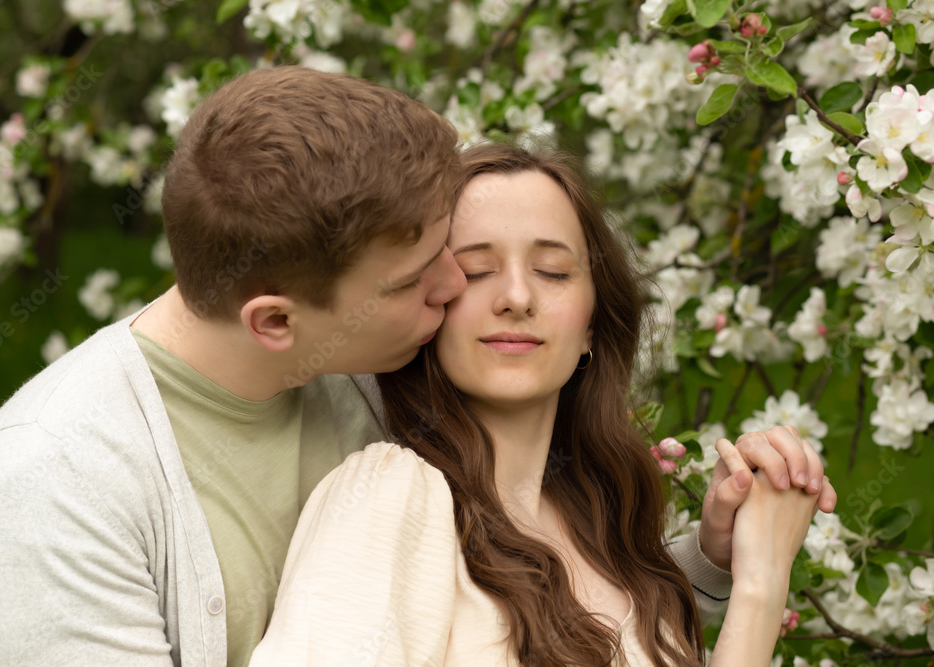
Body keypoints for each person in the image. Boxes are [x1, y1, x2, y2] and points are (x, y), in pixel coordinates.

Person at [0, 68, 832, 667]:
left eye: (555, 271)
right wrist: (756, 595)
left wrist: (709, 567)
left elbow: (513, 605)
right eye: (435, 276)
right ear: (278, 322)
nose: (472, 293)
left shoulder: (371, 367)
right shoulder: (56, 474)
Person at [251, 143, 823, 666]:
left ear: (594, 324)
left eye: (552, 271)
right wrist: (761, 585)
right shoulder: (391, 496)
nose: (518, 297)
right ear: (427, 306)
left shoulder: (612, 536)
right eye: (476, 271)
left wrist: (722, 552)